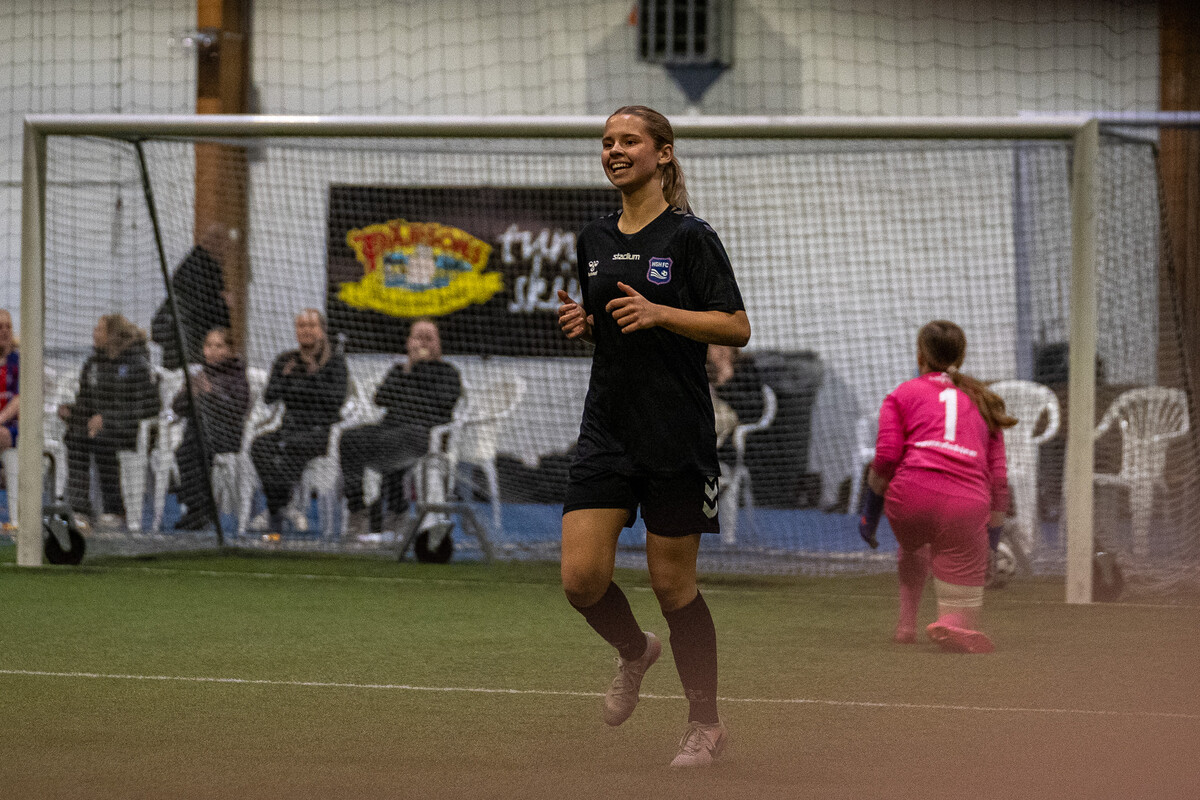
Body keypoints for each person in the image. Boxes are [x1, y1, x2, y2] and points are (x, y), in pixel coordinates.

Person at [555, 105, 750, 768]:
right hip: (607, 430)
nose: (614, 150)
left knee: (672, 586)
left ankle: (705, 724)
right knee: (581, 580)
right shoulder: (592, 237)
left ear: (662, 153)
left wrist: (660, 312)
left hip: (676, 435)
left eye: (629, 140)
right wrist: (587, 326)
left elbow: (736, 326)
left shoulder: (691, 237)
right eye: (607, 141)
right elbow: (615, 328)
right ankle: (635, 651)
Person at [858, 320, 1015, 654]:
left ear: (920, 356)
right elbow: (999, 480)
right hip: (965, 505)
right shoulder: (985, 402)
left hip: (909, 499)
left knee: (914, 543)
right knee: (959, 560)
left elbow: (885, 459)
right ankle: (953, 621)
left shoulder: (900, 394)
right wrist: (991, 540)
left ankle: (906, 625)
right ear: (962, 356)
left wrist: (869, 516)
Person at [339, 318, 462, 536]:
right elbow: (381, 398)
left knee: (399, 438)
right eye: (418, 338)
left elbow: (443, 402)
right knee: (349, 438)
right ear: (408, 342)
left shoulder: (448, 372)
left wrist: (419, 370)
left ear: (438, 344)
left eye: (429, 338)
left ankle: (396, 510)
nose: (423, 344)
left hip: (425, 435)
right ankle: (358, 509)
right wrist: (408, 370)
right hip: (391, 431)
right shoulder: (399, 370)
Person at [250, 309, 348, 533]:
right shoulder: (286, 360)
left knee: (289, 448)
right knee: (260, 445)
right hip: (289, 427)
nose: (306, 330)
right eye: (301, 326)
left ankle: (276, 511)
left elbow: (335, 400)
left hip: (320, 431)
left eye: (311, 326)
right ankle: (282, 507)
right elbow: (269, 396)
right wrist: (287, 378)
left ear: (322, 331)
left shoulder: (334, 362)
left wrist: (312, 379)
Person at [60, 314, 160, 528]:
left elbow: (148, 407)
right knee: (75, 437)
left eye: (99, 329)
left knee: (104, 441)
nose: (94, 333)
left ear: (112, 334)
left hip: (130, 430)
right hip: (97, 427)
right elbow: (85, 401)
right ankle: (80, 508)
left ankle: (114, 509)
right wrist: (72, 413)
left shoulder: (137, 363)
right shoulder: (93, 364)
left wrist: (107, 419)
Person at [171, 328, 250, 530]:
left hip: (226, 434)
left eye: (219, 346)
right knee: (187, 448)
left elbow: (237, 409)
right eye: (209, 346)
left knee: (194, 446)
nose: (213, 351)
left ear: (230, 350)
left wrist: (209, 393)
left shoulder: (236, 374)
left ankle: (202, 510)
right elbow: (178, 408)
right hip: (198, 434)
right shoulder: (200, 374)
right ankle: (195, 508)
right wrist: (189, 393)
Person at [151, 223, 233, 370]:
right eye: (225, 245)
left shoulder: (191, 265)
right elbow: (202, 306)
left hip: (180, 347)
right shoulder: (203, 270)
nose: (227, 250)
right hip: (192, 347)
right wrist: (222, 302)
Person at [0, 310, 19, 454]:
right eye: (0, 327)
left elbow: (20, 399)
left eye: (8, 326)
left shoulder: (18, 362)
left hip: (13, 428)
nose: (5, 331)